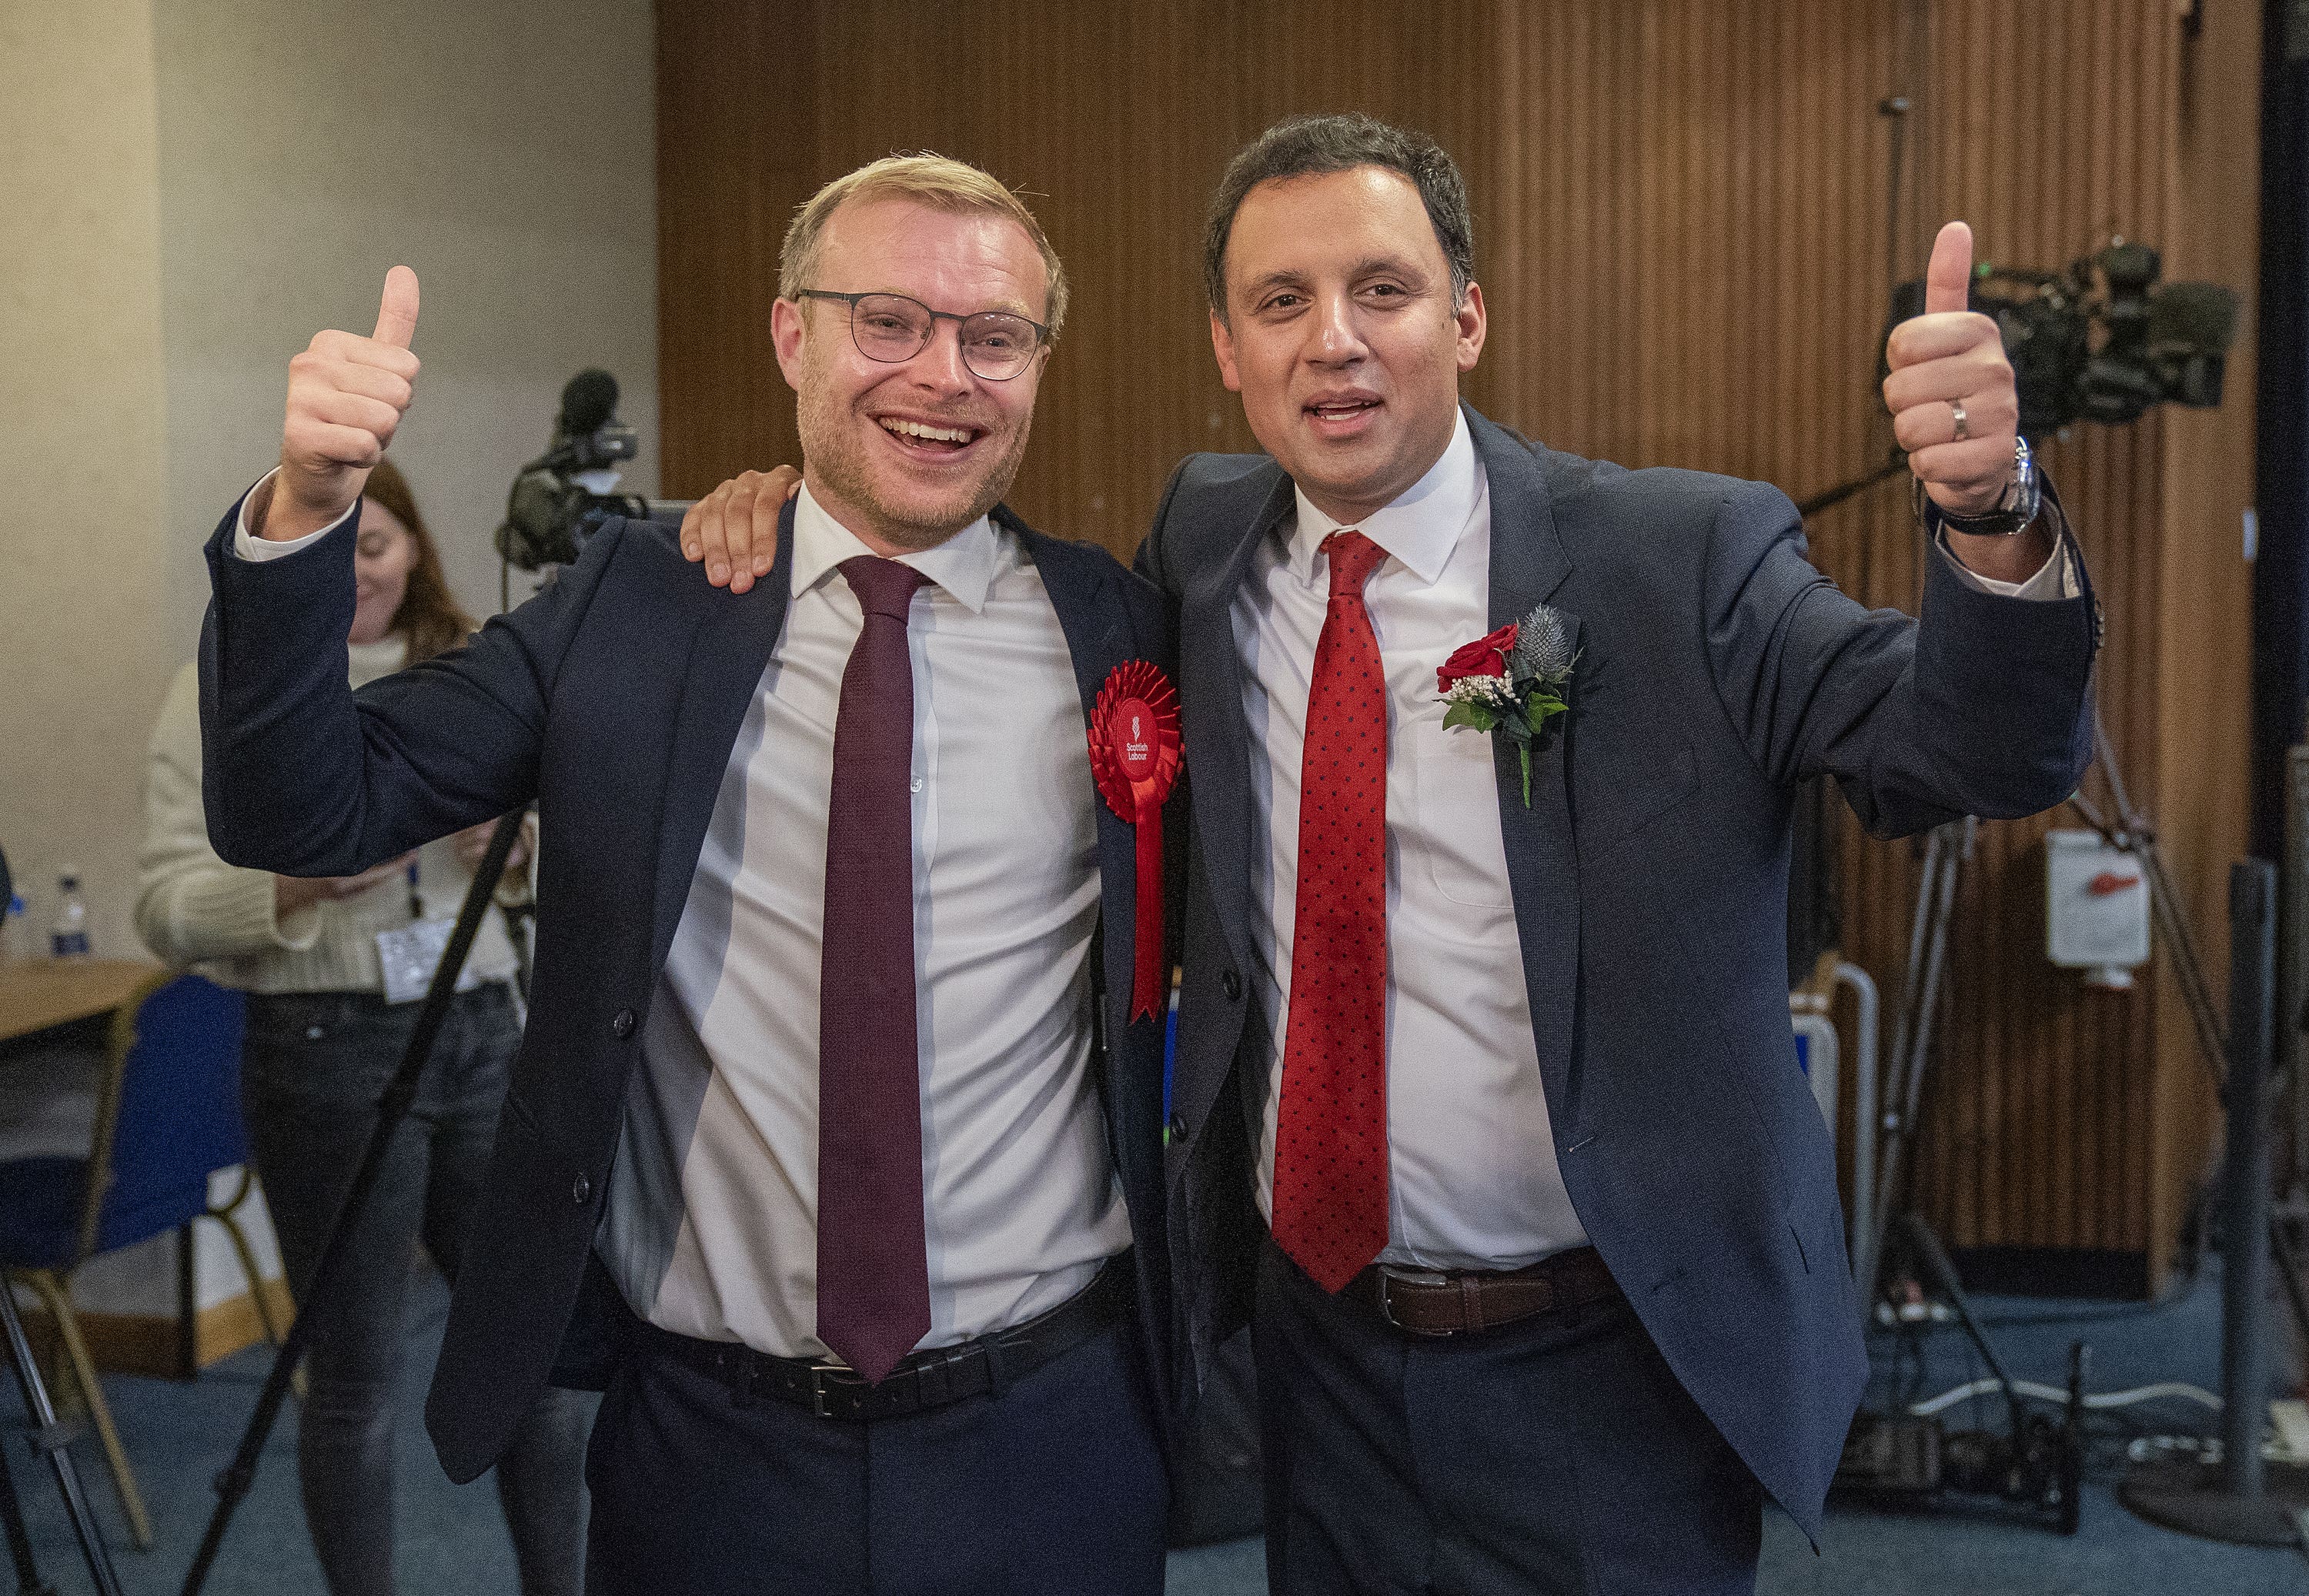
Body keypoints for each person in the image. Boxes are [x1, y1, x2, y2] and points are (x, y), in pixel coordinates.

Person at [680, 115, 2099, 1594]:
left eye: (1384, 291)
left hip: (1609, 1366)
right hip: (1320, 1358)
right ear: (1226, 350)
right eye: (1280, 303)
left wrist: (1991, 515)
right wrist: (797, 509)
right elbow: (956, 534)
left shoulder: (1681, 556)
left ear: (1467, 317)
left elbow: (1976, 755)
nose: (1334, 344)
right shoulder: (1207, 541)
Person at [195, 155, 1176, 1596]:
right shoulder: (639, 605)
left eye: (996, 335)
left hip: (1053, 1437)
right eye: (888, 320)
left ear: (1038, 363)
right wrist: (307, 507)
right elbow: (304, 806)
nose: (944, 376)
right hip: (714, 1454)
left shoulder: (1124, 629)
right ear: (793, 336)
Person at [135, 458, 587, 1596]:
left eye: (375, 546)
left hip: (485, 1028)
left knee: (533, 1357)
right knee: (357, 1375)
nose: (359, 574)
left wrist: (521, 850)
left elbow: (588, 854)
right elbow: (164, 909)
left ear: (415, 549)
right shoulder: (230, 688)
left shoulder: (477, 668)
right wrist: (291, 886)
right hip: (324, 1052)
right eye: (334, 552)